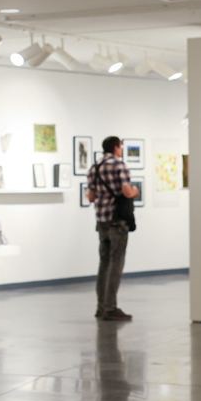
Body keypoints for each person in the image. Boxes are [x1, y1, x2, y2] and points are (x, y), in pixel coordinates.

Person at [86, 136, 139, 321]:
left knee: (104, 263)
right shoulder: (119, 165)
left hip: (101, 221)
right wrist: (135, 191)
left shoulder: (94, 167)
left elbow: (90, 197)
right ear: (116, 147)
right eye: (121, 147)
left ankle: (101, 307)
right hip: (117, 221)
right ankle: (110, 308)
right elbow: (126, 191)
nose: (121, 150)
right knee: (116, 263)